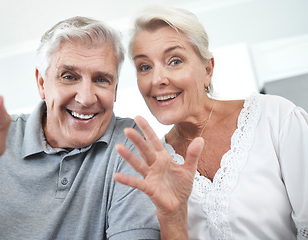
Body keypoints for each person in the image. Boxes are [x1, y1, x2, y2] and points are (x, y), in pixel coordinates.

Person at [0, 15, 204, 239]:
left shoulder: (129, 142)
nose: (85, 98)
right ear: (41, 83)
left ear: (115, 90)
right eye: (69, 77)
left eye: (101, 80)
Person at [113, 4, 308, 240]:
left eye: (174, 61)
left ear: (208, 69)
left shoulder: (275, 118)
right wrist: (171, 217)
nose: (157, 79)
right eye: (144, 66)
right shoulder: (154, 167)